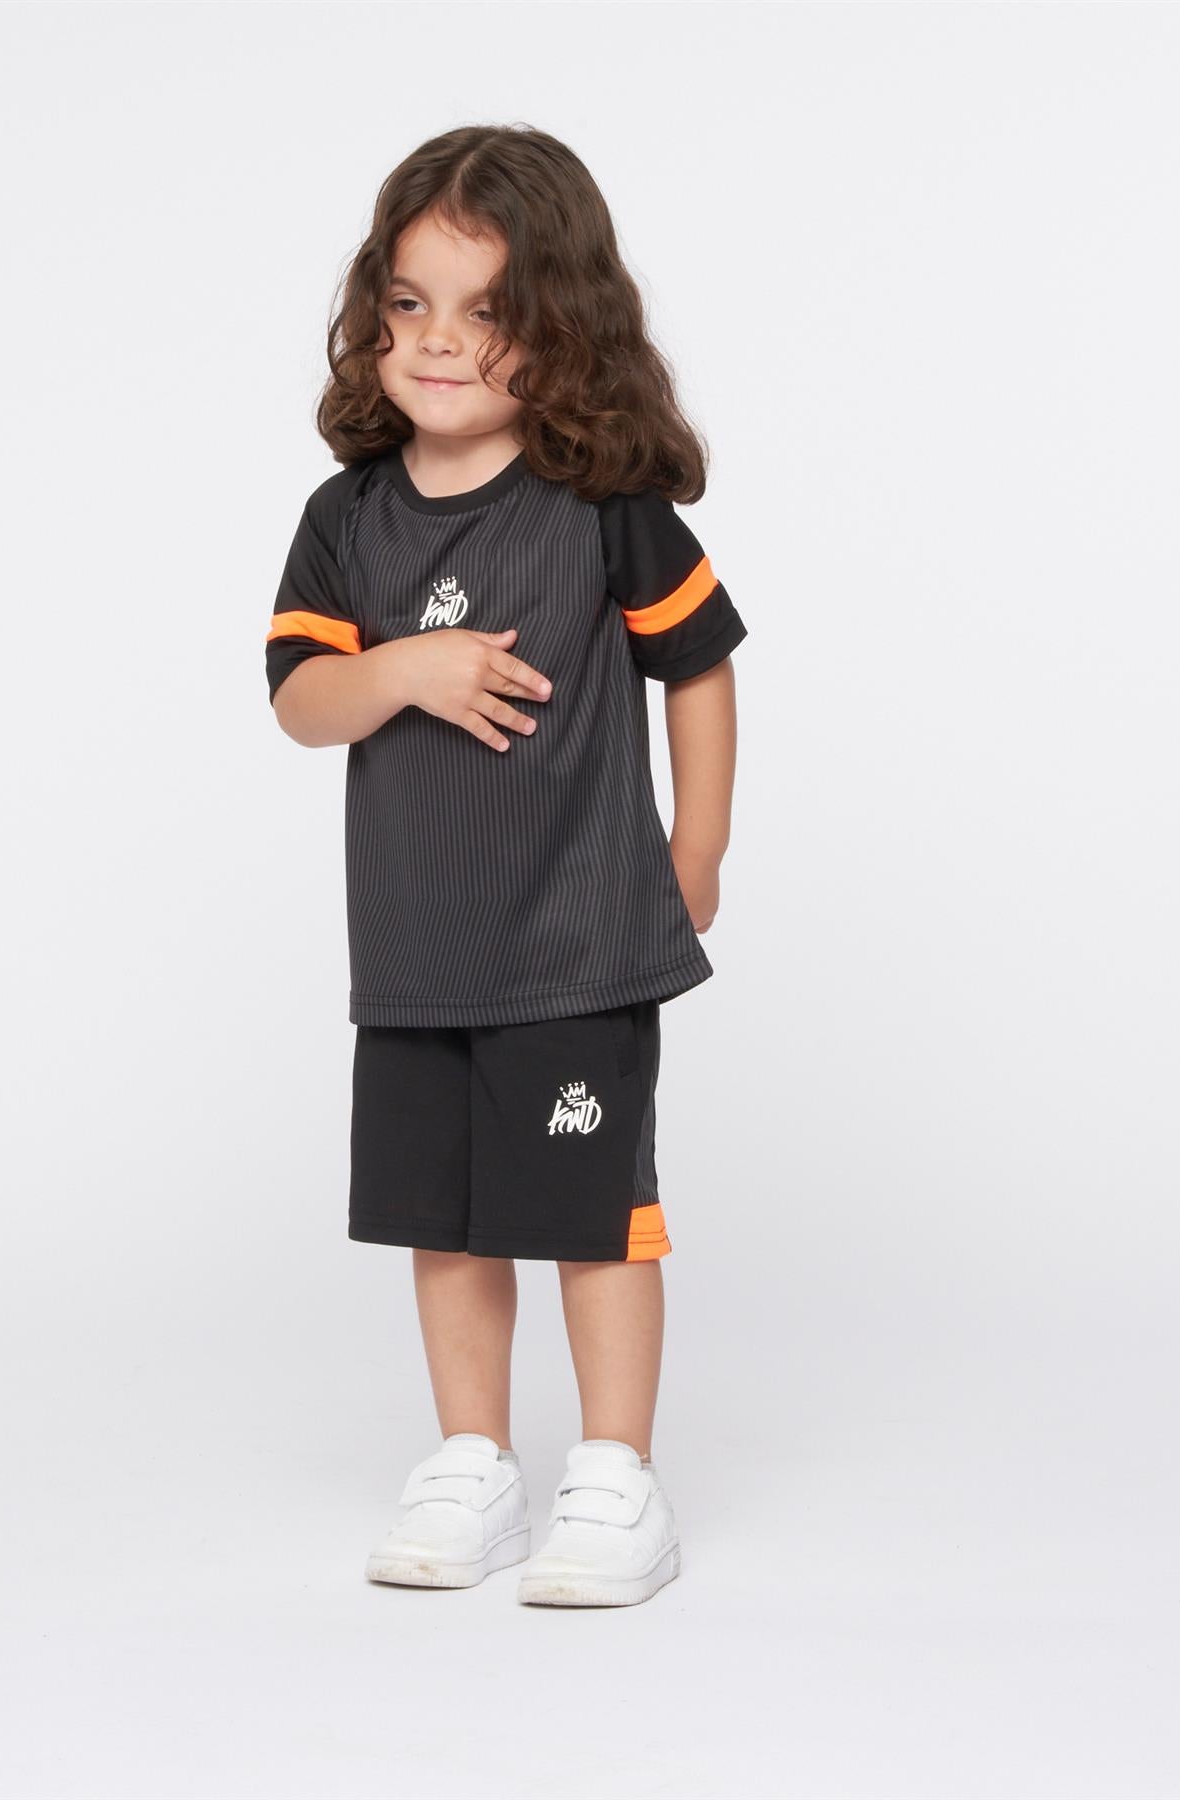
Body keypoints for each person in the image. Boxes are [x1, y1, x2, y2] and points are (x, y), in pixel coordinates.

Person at [264, 124, 747, 1608]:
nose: (438, 342)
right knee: (446, 1219)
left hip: (578, 938)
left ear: (562, 325)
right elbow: (300, 703)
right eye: (410, 304)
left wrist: (698, 844)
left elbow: (699, 666)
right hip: (416, 949)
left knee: (590, 1217)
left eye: (485, 312)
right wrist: (402, 669)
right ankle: (473, 1462)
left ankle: (615, 1477)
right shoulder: (348, 519)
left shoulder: (601, 505)